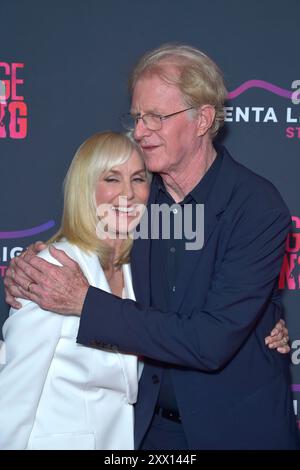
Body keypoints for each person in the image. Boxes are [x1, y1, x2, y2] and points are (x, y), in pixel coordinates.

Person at [4, 44, 298, 449]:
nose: (140, 132)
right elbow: (84, 243)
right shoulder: (140, 196)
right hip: (146, 432)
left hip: (235, 431)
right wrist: (32, 268)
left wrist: (84, 301)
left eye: (157, 118)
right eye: (138, 117)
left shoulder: (256, 207)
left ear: (203, 120)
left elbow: (209, 342)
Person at [0, 131, 150, 449]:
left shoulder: (140, 272)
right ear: (87, 189)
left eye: (138, 179)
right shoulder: (51, 268)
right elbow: (14, 392)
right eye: (112, 178)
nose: (129, 193)